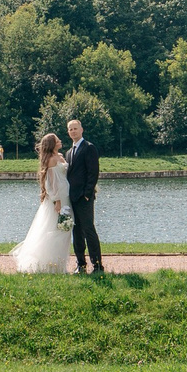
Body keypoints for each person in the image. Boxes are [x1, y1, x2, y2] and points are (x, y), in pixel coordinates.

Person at [9, 131, 71, 273]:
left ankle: (60, 264)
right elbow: (51, 183)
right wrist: (57, 201)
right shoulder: (51, 160)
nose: (60, 141)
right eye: (57, 140)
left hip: (66, 196)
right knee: (55, 230)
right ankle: (49, 265)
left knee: (64, 231)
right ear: (52, 144)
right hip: (58, 199)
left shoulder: (60, 156)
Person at [66, 117, 103, 275]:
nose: (73, 131)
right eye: (70, 129)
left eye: (75, 128)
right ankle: (80, 264)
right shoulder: (69, 152)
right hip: (72, 198)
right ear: (68, 132)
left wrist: (87, 194)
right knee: (77, 232)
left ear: (81, 130)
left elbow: (93, 172)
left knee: (89, 231)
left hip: (84, 198)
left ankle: (97, 265)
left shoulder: (89, 148)